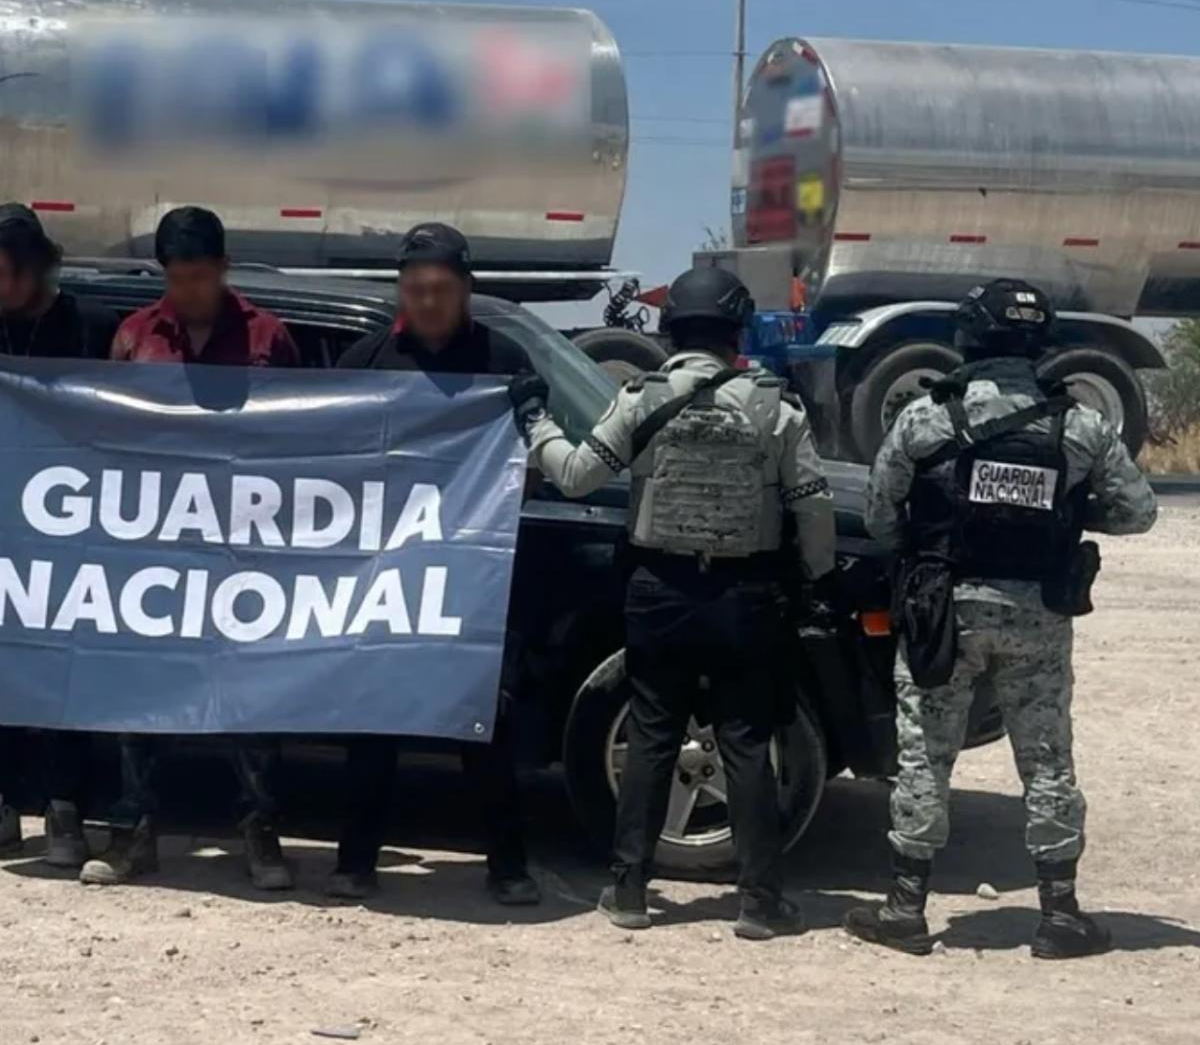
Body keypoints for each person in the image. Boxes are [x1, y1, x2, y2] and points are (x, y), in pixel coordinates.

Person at [514, 264, 834, 939]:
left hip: (658, 593)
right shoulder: (775, 406)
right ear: (736, 331)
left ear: (670, 330)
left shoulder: (640, 399)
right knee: (746, 741)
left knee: (653, 736)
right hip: (746, 595)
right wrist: (812, 577)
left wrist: (536, 421)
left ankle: (629, 890)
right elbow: (812, 508)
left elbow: (575, 476)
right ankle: (759, 901)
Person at [844, 278, 1157, 959]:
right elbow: (1138, 512)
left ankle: (905, 908)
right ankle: (1060, 914)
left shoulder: (926, 418)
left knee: (926, 755)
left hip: (942, 612)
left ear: (970, 337)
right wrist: (1064, 512)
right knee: (1046, 760)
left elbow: (879, 515)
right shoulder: (1080, 425)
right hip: (1037, 614)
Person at [81, 205, 303, 890]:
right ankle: (132, 833)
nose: (189, 290)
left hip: (244, 550)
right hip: (156, 550)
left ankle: (260, 833)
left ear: (224, 268)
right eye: (177, 277)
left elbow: (308, 435)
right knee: (140, 696)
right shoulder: (135, 337)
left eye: (201, 276)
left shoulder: (268, 337)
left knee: (251, 700)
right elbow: (107, 434)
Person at [325, 223, 543, 908]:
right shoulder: (365, 362)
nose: (427, 301)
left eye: (440, 289)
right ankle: (355, 862)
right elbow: (324, 461)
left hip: (471, 579)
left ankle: (508, 866)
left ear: (465, 289)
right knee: (373, 722)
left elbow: (534, 461)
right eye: (415, 289)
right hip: (382, 577)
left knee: (484, 722)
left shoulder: (504, 362)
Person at [0, 203, 122, 873]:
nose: (7, 285)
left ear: (42, 266)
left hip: (71, 524)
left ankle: (65, 806)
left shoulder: (88, 323)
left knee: (65, 664)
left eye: (17, 272)